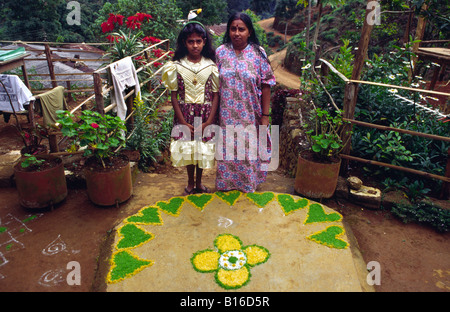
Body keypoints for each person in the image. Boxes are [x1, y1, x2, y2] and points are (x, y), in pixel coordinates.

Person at [215, 12, 276, 193]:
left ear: (249, 32)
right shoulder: (220, 53)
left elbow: (266, 85)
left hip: (250, 114)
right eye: (233, 29)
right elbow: (213, 86)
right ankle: (226, 186)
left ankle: (247, 185)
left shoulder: (258, 53)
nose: (237, 33)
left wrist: (265, 116)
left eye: (241, 29)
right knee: (227, 152)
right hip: (225, 115)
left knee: (248, 152)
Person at [161, 21, 219, 195]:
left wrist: (209, 121)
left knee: (200, 149)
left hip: (205, 114)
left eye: (198, 41)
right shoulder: (176, 66)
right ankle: (189, 182)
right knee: (188, 149)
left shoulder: (211, 65)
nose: (195, 45)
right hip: (184, 114)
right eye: (190, 41)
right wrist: (181, 122)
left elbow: (216, 94)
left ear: (204, 42)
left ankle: (199, 183)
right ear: (184, 43)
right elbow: (173, 95)